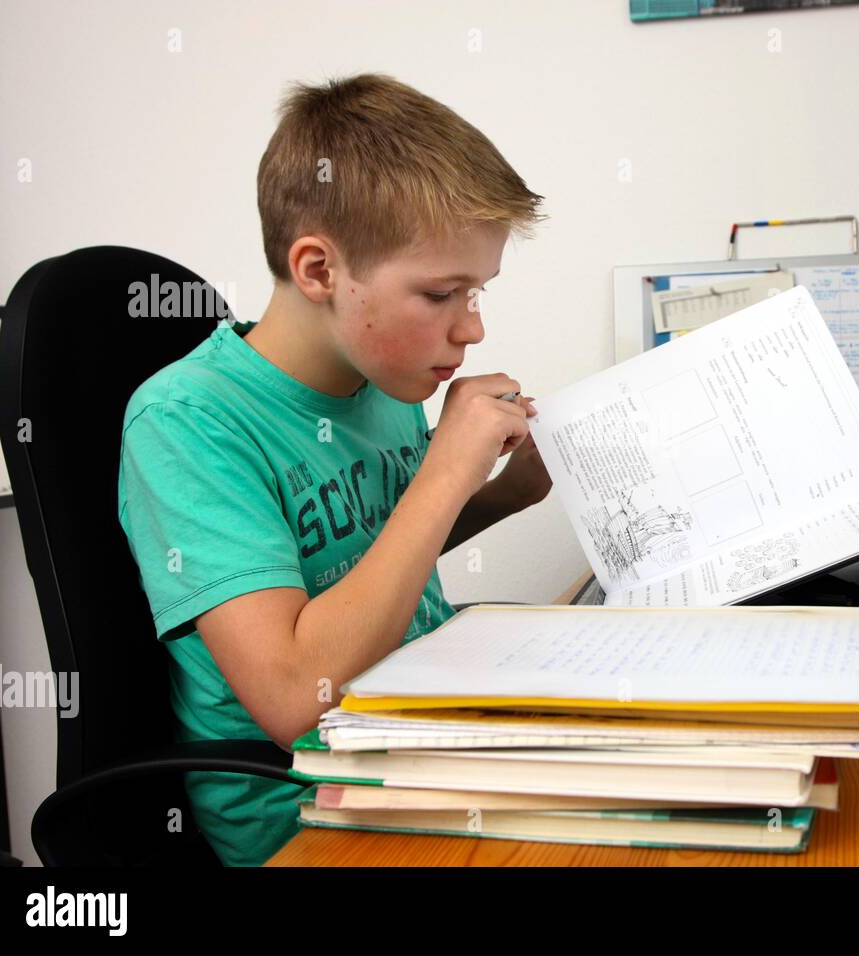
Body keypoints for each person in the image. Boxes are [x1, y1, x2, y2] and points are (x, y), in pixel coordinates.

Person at [117, 73, 550, 865]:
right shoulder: (187, 421)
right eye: (442, 293)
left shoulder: (381, 376)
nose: (474, 327)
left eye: (478, 290)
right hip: (308, 813)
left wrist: (500, 497)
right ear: (319, 271)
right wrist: (447, 468)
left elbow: (367, 560)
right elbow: (290, 694)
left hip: (423, 745)